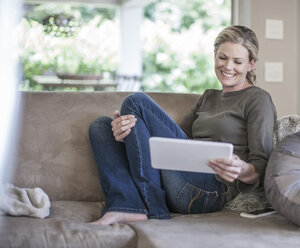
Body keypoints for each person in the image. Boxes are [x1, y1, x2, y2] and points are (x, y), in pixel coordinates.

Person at [88, 25, 277, 225]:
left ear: (251, 64)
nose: (228, 67)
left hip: (208, 191)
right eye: (223, 57)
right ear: (214, 55)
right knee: (101, 127)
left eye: (238, 61)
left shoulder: (257, 99)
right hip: (176, 178)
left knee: (136, 102)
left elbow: (262, 164)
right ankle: (127, 206)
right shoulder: (208, 97)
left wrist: (242, 170)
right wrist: (130, 133)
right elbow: (171, 142)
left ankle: (154, 209)